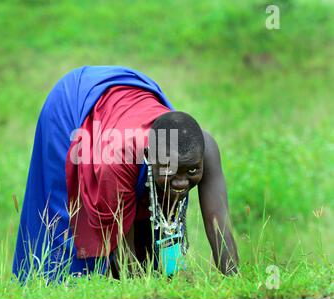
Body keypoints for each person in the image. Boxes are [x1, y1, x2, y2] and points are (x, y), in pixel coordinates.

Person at [12, 66, 239, 282]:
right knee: (66, 234)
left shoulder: (200, 147)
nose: (182, 182)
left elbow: (218, 222)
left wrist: (233, 283)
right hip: (73, 105)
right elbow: (122, 251)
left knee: (159, 246)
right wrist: (145, 296)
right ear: (151, 156)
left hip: (131, 102)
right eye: (171, 171)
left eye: (191, 172)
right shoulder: (117, 162)